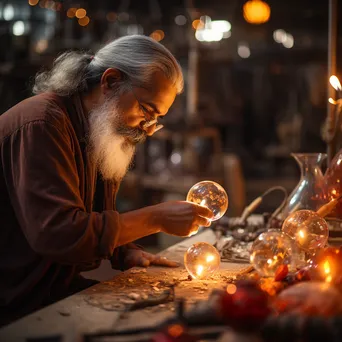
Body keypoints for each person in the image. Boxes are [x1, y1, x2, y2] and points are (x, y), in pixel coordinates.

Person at [0, 35, 214, 326]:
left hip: (50, 291)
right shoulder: (42, 124)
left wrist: (125, 252)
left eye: (155, 119)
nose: (147, 130)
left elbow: (92, 214)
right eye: (146, 111)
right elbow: (58, 234)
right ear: (110, 82)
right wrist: (155, 218)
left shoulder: (95, 128)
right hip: (15, 302)